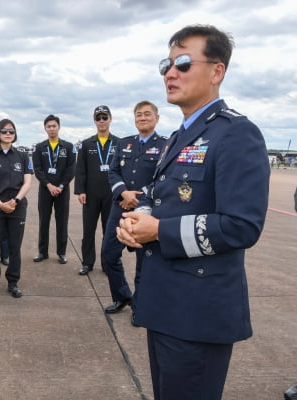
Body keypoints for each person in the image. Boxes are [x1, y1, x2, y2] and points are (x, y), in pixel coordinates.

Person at [116, 25, 270, 400]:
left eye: (183, 63)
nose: (171, 73)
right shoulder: (181, 136)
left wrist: (159, 231)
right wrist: (140, 221)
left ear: (217, 71)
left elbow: (241, 226)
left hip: (197, 315)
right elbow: (159, 193)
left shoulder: (235, 133)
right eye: (166, 65)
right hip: (166, 305)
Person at [101, 101, 166, 322]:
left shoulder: (165, 146)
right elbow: (113, 172)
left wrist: (135, 197)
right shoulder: (124, 143)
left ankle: (140, 306)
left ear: (157, 118)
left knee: (143, 264)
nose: (142, 118)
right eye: (138, 115)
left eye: (147, 114)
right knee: (108, 255)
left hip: (146, 213)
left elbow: (162, 179)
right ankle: (122, 296)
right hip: (119, 208)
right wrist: (123, 193)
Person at [0, 119, 33, 299]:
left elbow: (27, 182)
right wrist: (0, 203)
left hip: (17, 206)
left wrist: (15, 201)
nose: (8, 134)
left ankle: (13, 283)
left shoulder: (23, 156)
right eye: (4, 131)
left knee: (14, 246)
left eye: (11, 131)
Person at [74, 105, 120, 275]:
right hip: (91, 194)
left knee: (109, 231)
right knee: (88, 230)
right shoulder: (86, 144)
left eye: (104, 117)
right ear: (94, 120)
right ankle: (87, 262)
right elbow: (80, 169)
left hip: (112, 194)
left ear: (110, 119)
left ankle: (108, 263)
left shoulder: (118, 143)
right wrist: (81, 191)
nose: (101, 121)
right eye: (98, 118)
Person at [31, 114, 76, 264]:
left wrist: (61, 186)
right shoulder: (39, 148)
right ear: (45, 128)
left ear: (59, 127)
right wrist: (49, 185)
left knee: (62, 221)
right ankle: (42, 252)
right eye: (48, 126)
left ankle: (61, 252)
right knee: (44, 221)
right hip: (45, 189)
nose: (51, 129)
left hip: (63, 190)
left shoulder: (68, 147)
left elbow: (71, 169)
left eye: (54, 126)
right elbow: (37, 169)